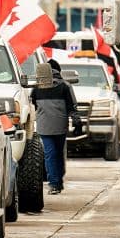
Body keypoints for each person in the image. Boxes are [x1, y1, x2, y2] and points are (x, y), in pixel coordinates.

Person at [30, 62, 80, 195]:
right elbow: (72, 107)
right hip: (60, 126)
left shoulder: (36, 88)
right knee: (57, 153)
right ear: (58, 71)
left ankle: (55, 184)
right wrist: (77, 122)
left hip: (44, 127)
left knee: (50, 154)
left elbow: (33, 105)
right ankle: (57, 181)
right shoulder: (65, 86)